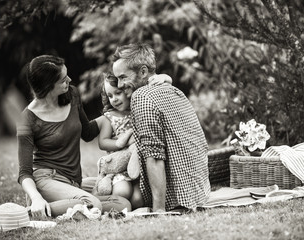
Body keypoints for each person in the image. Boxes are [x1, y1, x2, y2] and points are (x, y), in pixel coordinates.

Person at [17, 55, 131, 218]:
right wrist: (35, 197)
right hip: (46, 180)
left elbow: (87, 132)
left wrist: (113, 117)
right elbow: (24, 172)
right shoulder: (27, 119)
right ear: (48, 86)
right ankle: (31, 211)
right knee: (92, 203)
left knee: (122, 203)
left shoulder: (71, 95)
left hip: (74, 181)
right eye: (63, 79)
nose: (69, 80)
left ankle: (57, 207)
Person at [112, 43, 211, 212]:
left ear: (143, 72)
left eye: (122, 77)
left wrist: (158, 210)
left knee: (121, 197)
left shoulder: (142, 96)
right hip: (199, 193)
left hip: (177, 198)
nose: (119, 85)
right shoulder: (173, 90)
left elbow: (154, 155)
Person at [93, 72, 172, 206]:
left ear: (127, 90)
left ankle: (132, 203)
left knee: (138, 200)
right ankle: (101, 199)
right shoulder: (110, 117)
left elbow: (162, 81)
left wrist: (165, 77)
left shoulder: (140, 108)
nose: (114, 99)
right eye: (110, 96)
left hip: (139, 165)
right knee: (122, 192)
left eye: (118, 93)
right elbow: (103, 142)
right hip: (120, 168)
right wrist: (119, 143)